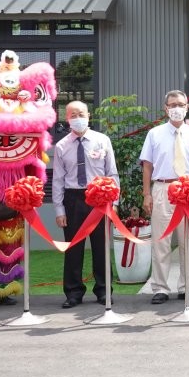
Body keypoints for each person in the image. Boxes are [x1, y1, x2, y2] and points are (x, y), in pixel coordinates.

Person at [140, 90, 189, 305]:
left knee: (187, 242)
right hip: (163, 189)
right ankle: (160, 288)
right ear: (166, 108)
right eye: (172, 105)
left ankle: (187, 287)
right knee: (160, 241)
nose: (176, 108)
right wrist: (146, 194)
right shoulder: (154, 134)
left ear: (187, 107)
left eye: (180, 104)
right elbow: (147, 165)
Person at [52, 101, 119, 308]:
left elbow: (112, 173)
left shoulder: (102, 140)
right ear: (67, 118)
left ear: (89, 115)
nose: (77, 117)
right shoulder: (61, 146)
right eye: (72, 115)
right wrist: (59, 209)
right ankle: (73, 292)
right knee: (73, 247)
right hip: (73, 200)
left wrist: (114, 203)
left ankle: (103, 290)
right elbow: (58, 180)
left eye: (80, 113)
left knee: (101, 246)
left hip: (99, 198)